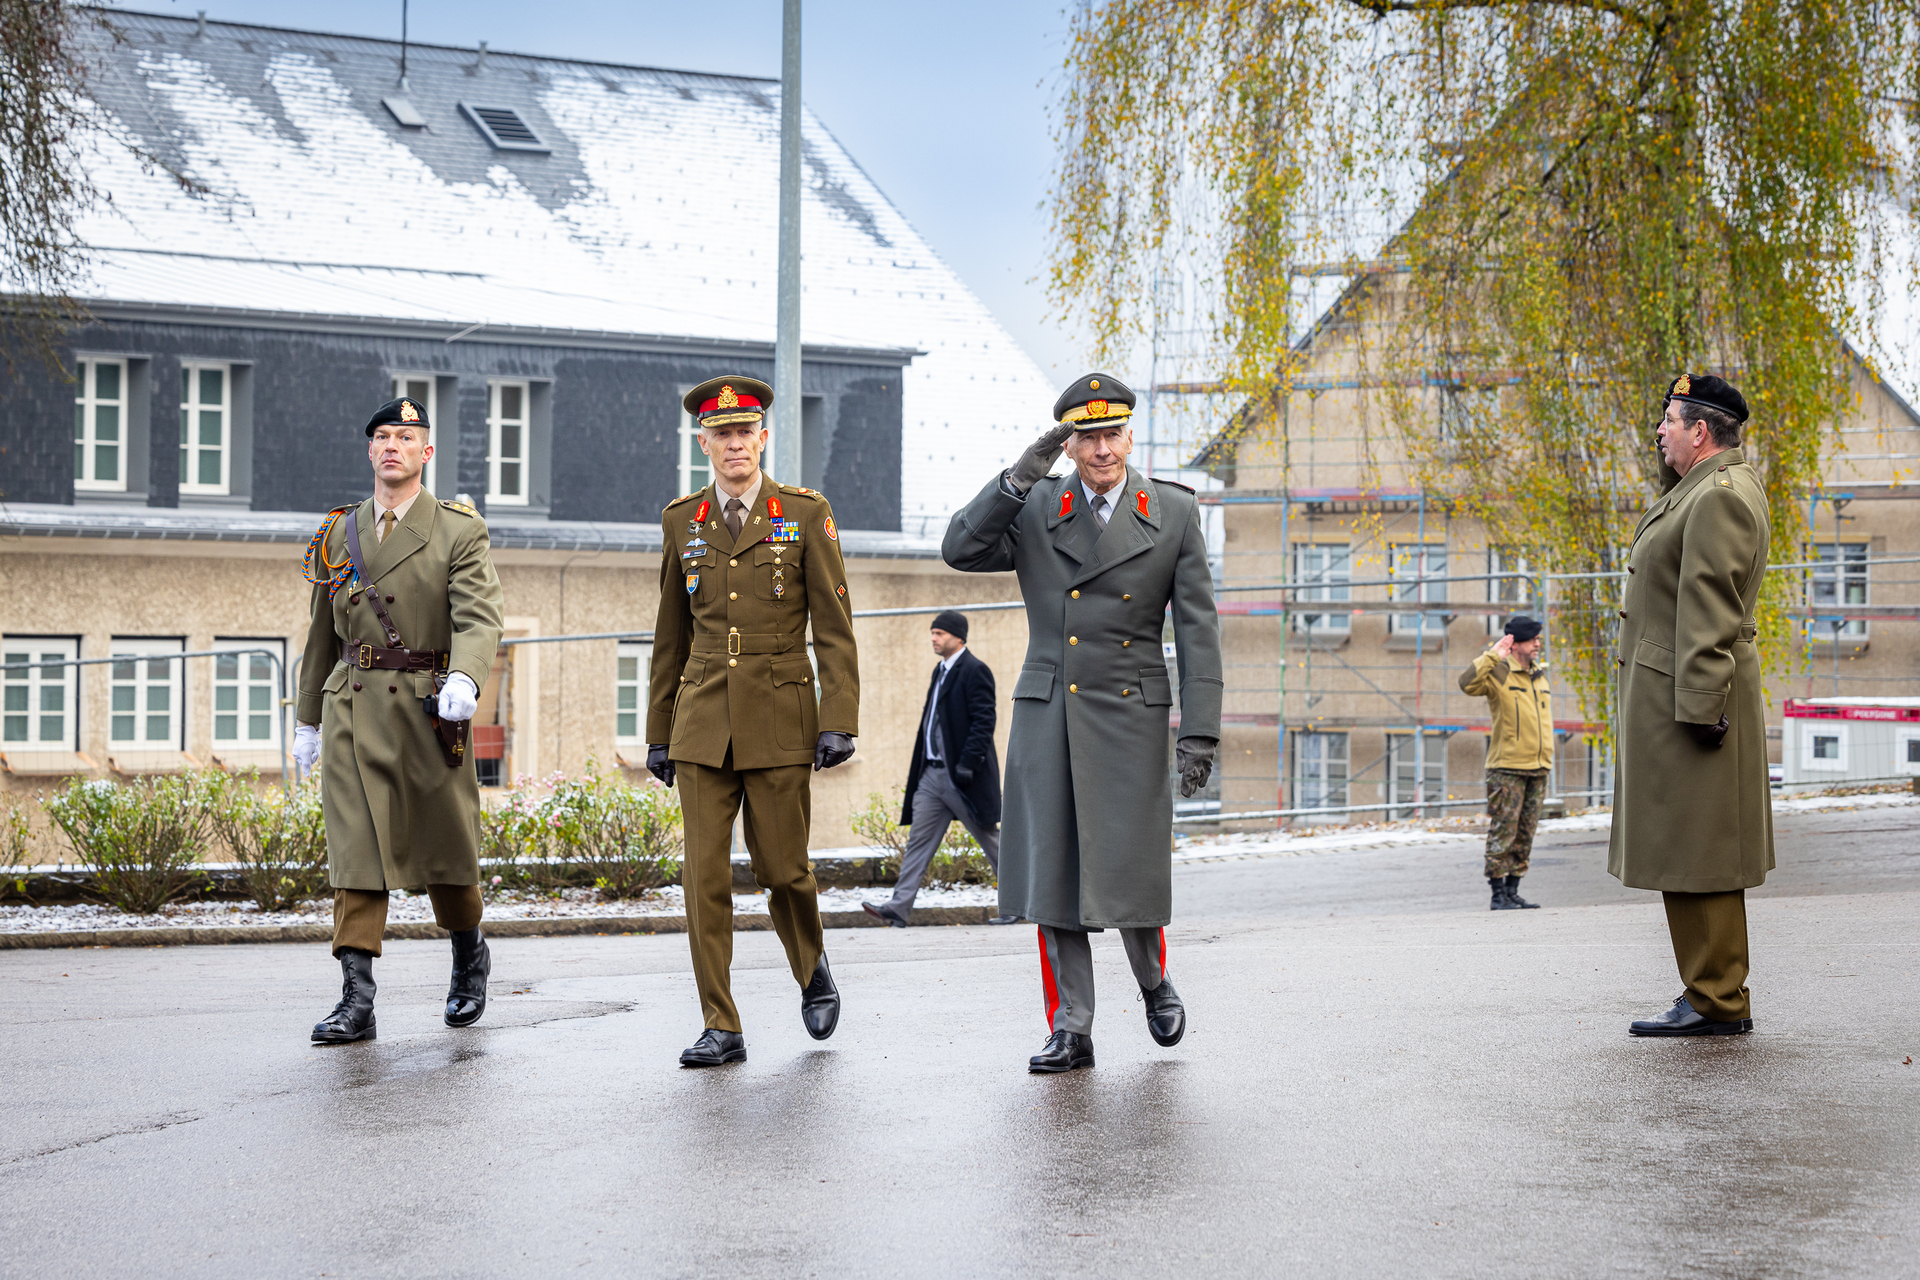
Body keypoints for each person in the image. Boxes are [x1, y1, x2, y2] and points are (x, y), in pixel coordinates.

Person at [943, 372, 1223, 1073]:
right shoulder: (1036, 504)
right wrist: (1014, 479)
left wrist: (1201, 730)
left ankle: (1154, 983)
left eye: (1112, 434)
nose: (1101, 449)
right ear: (1068, 444)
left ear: (1131, 435)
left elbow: (1197, 630)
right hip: (1050, 709)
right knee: (1054, 870)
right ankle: (1071, 1024)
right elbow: (960, 549)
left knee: (1128, 861)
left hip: (1130, 708)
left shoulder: (1174, 513)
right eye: (1087, 437)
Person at [645, 375, 860, 1067]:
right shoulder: (684, 521)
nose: (734, 444)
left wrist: (840, 717)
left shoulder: (802, 512)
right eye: (721, 434)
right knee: (701, 875)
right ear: (703, 442)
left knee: (782, 868)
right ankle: (722, 1023)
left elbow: (834, 625)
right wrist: (657, 728)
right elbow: (668, 635)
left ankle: (811, 967)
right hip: (703, 716)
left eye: (745, 432)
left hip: (778, 713)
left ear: (762, 438)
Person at [294, 396, 505, 1045]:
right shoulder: (339, 532)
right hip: (353, 707)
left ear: (426, 453)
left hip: (428, 707)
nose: (393, 446)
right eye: (383, 436)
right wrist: (307, 720)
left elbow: (480, 615)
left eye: (406, 437)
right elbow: (321, 635)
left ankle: (469, 954)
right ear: (370, 450)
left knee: (448, 850)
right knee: (356, 849)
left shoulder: (457, 530)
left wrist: (467, 675)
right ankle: (357, 998)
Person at [1611, 373, 1773, 1037]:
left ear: (1699, 430)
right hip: (1678, 694)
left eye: (1669, 420)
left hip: (1694, 701)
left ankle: (1717, 999)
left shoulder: (1719, 495)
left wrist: (1702, 707)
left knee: (1702, 853)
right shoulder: (1703, 490)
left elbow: (1709, 610)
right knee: (1688, 849)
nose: (1659, 431)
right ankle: (1707, 991)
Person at [865, 610, 1017, 927]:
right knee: (919, 843)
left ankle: (1019, 903)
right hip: (931, 777)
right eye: (932, 633)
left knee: (991, 841)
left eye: (940, 634)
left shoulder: (975, 670)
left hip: (961, 776)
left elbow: (984, 722)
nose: (934, 639)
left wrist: (966, 764)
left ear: (959, 636)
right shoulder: (940, 671)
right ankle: (898, 906)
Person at [1459, 614, 1553, 910]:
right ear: (1515, 643)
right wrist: (1493, 655)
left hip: (1538, 766)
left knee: (1526, 831)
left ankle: (1513, 889)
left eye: (1538, 639)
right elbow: (1467, 683)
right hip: (1507, 768)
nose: (1538, 644)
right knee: (1504, 830)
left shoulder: (1539, 674)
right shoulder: (1499, 673)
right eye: (1533, 639)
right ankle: (1498, 894)